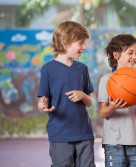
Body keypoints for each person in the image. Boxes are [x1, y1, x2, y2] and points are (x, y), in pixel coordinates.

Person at [37, 21, 96, 167]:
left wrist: (83, 95)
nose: (84, 47)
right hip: (59, 135)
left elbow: (90, 102)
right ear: (65, 42)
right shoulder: (47, 70)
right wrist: (42, 105)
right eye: (81, 42)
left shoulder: (82, 69)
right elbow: (42, 101)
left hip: (84, 134)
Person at [98, 34, 136, 167]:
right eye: (130, 53)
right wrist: (112, 107)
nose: (134, 57)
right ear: (116, 55)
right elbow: (102, 112)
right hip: (113, 143)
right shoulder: (106, 80)